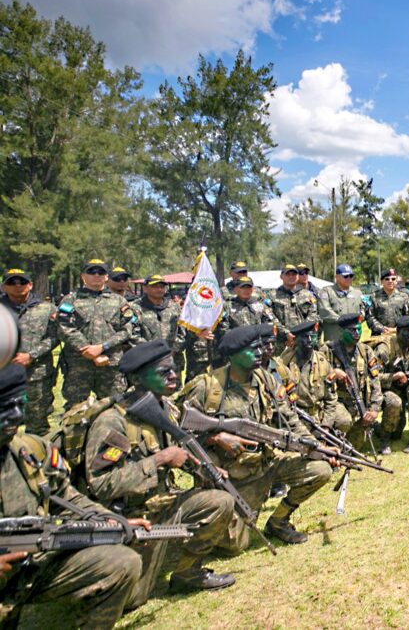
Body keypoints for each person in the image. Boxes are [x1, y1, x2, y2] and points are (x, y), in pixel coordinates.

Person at [82, 340, 235, 603]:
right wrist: (159, 460)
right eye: (164, 372)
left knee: (220, 501)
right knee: (133, 600)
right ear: (138, 378)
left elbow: (180, 450)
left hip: (162, 505)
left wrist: (202, 468)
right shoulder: (114, 421)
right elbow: (100, 484)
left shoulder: (166, 408)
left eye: (173, 369)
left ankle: (188, 572)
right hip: (130, 520)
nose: (174, 376)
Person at [0, 364, 144, 629]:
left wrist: (108, 520)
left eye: (19, 404)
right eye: (5, 408)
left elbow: (66, 496)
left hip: (33, 569)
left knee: (122, 562)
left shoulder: (30, 450)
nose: (16, 416)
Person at [180, 324, 332, 548]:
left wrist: (317, 447)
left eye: (261, 347)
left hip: (265, 463)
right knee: (234, 546)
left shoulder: (265, 380)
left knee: (320, 470)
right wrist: (215, 439)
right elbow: (179, 438)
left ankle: (278, 520)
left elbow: (289, 418)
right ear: (233, 355)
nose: (261, 353)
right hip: (231, 476)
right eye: (253, 349)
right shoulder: (207, 387)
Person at [57, 258, 140, 405]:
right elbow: (64, 327)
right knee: (76, 409)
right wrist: (88, 350)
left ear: (106, 276)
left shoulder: (119, 301)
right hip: (79, 364)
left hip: (110, 364)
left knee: (114, 407)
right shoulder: (70, 300)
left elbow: (127, 329)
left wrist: (103, 347)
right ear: (83, 276)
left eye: (101, 272)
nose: (96, 275)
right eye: (91, 272)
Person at [1, 267, 58, 435]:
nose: (18, 286)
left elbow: (55, 337)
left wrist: (31, 355)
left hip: (37, 373)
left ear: (30, 285)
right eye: (12, 282)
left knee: (38, 424)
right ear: (3, 286)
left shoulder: (47, 309)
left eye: (22, 282)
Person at [324, 312, 383, 451]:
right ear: (342, 331)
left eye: (359, 329)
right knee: (343, 421)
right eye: (352, 330)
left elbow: (375, 381)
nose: (357, 333)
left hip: (360, 404)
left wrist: (373, 410)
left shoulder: (366, 351)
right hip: (338, 403)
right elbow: (317, 380)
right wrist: (333, 373)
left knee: (355, 449)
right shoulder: (328, 350)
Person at [374, 317, 409, 452]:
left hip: (401, 390)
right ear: (398, 332)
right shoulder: (385, 348)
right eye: (406, 331)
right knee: (394, 401)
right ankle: (384, 441)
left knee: (397, 434)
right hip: (383, 391)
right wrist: (394, 376)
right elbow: (372, 377)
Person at [268, 264, 319, 353]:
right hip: (281, 344)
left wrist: (301, 332)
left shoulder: (307, 295)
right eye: (288, 274)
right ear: (281, 276)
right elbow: (270, 317)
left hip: (304, 342)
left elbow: (313, 315)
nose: (291, 277)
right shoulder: (272, 295)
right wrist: (286, 333)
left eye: (294, 274)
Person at [317, 264, 367, 345]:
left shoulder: (357, 293)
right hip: (334, 338)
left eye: (351, 276)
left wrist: (359, 318)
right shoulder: (327, 291)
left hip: (353, 338)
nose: (349, 278)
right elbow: (324, 310)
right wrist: (341, 320)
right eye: (345, 276)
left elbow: (363, 310)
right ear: (337, 277)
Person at [368, 269, 409, 337]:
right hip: (379, 335)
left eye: (393, 279)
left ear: (396, 281)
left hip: (399, 334)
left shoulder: (404, 297)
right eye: (387, 279)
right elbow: (369, 317)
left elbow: (408, 316)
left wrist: (396, 329)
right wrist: (382, 329)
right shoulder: (374, 297)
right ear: (382, 281)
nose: (390, 281)